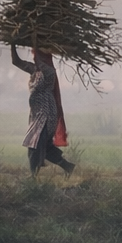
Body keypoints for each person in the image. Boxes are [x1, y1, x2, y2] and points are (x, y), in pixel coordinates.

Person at [10, 43, 74, 175]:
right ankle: (67, 166)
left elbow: (39, 64)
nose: (35, 57)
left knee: (35, 143)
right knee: (44, 145)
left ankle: (34, 175)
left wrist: (35, 42)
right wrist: (13, 44)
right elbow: (16, 62)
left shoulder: (49, 71)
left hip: (46, 113)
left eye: (37, 55)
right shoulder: (35, 69)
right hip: (37, 113)